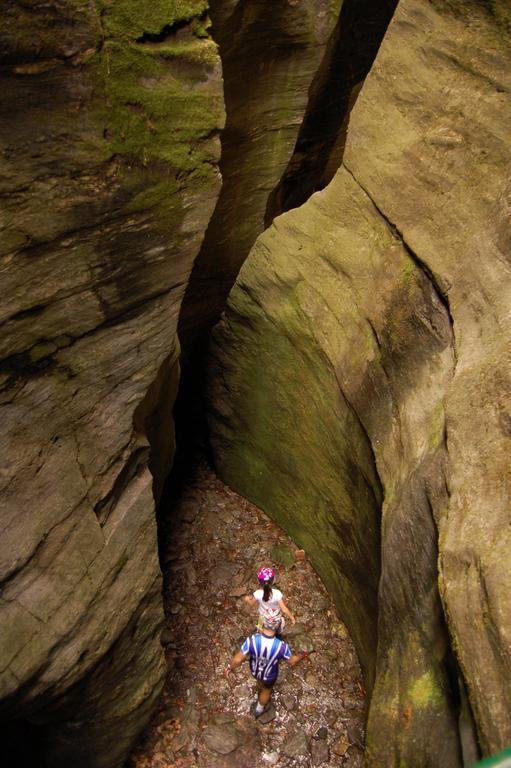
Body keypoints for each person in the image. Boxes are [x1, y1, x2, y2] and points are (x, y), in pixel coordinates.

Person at [225, 615, 307, 717]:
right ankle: (259, 709)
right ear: (278, 628)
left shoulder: (252, 640)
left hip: (254, 670)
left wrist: (230, 667)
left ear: (263, 624)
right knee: (266, 691)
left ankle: (259, 684)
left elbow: (237, 659)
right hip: (269, 676)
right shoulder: (281, 647)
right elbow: (292, 661)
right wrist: (300, 656)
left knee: (259, 680)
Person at [244, 566, 296, 633]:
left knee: (260, 626)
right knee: (279, 623)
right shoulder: (277, 593)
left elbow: (251, 603)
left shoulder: (257, 593)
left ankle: (259, 632)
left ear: (258, 581)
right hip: (275, 616)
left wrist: (247, 599)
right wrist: (292, 618)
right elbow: (284, 609)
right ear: (273, 580)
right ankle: (278, 632)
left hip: (263, 616)